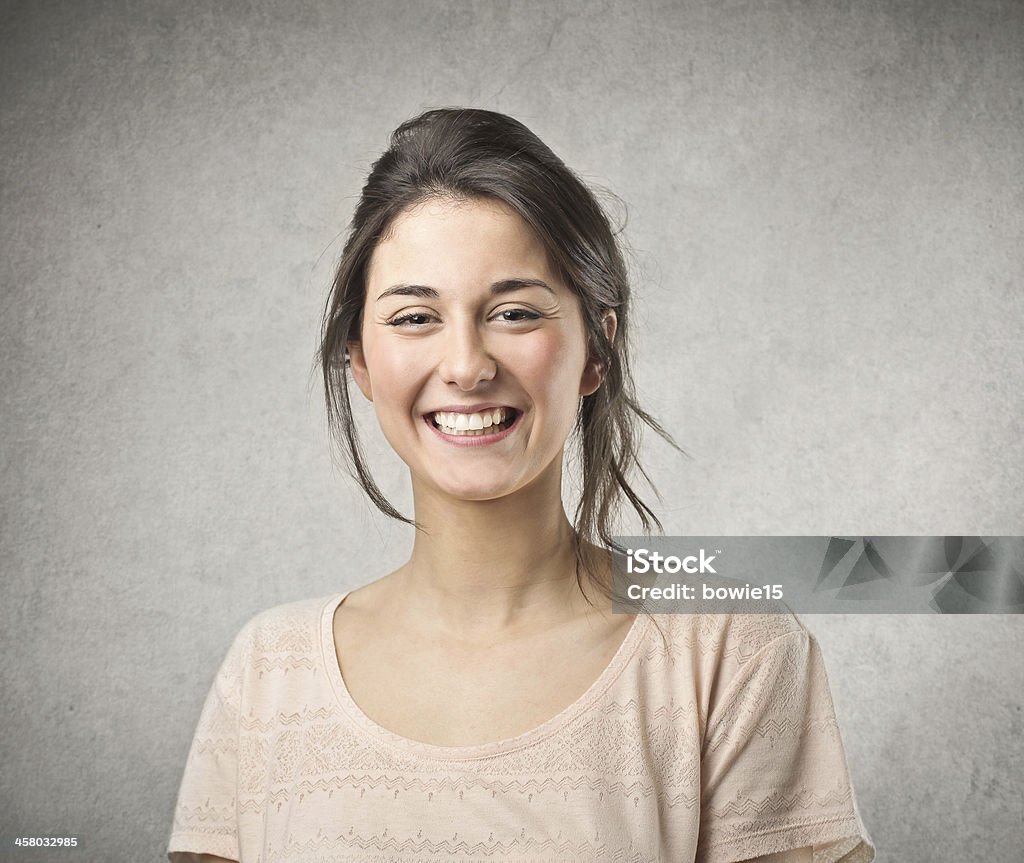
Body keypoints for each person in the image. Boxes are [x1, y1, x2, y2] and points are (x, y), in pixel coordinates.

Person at [167, 108, 874, 863]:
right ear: (361, 362)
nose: (467, 364)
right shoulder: (269, 670)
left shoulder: (731, 650)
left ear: (597, 351)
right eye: (414, 316)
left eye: (513, 312)